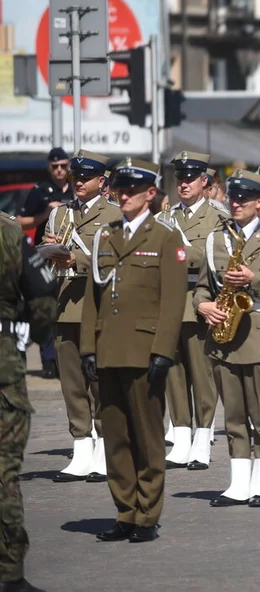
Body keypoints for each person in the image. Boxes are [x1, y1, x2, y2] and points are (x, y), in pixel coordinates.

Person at [81, 159, 186, 543]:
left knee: (147, 436)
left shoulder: (165, 237)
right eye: (120, 189)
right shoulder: (105, 237)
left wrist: (163, 351)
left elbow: (173, 301)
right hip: (108, 348)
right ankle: (125, 512)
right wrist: (87, 347)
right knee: (115, 435)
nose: (123, 196)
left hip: (145, 350)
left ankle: (147, 515)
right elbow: (94, 295)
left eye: (131, 190)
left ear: (150, 194)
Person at [194, 171, 260, 507]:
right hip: (223, 338)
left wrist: (255, 281)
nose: (236, 203)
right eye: (233, 198)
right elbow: (200, 286)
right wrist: (203, 305)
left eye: (245, 199)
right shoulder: (215, 239)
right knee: (235, 417)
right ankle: (239, 483)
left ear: (259, 202)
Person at [45, 151, 120, 483]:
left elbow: (115, 261)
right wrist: (49, 252)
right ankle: (81, 446)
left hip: (99, 307)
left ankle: (106, 447)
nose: (78, 182)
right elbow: (47, 265)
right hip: (64, 306)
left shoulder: (115, 214)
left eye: (85, 177)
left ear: (101, 181)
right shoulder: (60, 214)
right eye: (75, 176)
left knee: (101, 382)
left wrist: (76, 258)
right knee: (71, 382)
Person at [0, 211, 58, 592]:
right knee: (3, 470)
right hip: (2, 365)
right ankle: (8, 578)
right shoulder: (7, 231)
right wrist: (37, 337)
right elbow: (42, 297)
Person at [159, 152, 228, 470]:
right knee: (174, 374)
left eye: (190, 178)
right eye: (180, 178)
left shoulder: (218, 216)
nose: (183, 184)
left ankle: (203, 440)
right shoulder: (166, 217)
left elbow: (214, 256)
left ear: (205, 182)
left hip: (202, 302)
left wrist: (177, 253)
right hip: (171, 302)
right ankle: (181, 437)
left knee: (202, 376)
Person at [17, 147, 72, 380]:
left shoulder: (78, 189)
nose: (59, 170)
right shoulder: (40, 191)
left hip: (71, 255)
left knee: (68, 305)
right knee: (47, 306)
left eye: (63, 165)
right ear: (49, 168)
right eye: (55, 166)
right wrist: (44, 214)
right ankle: (49, 360)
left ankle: (68, 358)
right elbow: (21, 220)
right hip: (46, 254)